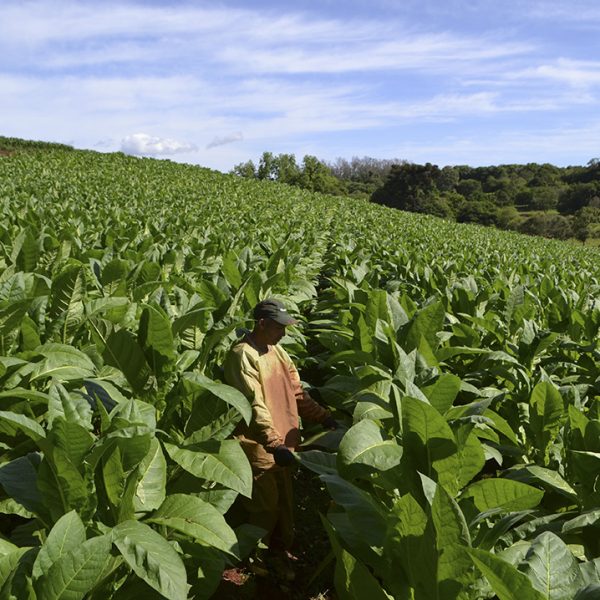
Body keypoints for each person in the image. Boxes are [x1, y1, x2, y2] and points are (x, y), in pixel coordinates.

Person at [224, 298, 337, 580]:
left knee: (285, 504)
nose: (284, 333)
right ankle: (252, 559)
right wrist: (273, 442)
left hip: (284, 446)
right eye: (279, 327)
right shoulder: (242, 355)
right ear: (262, 324)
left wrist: (323, 417)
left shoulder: (277, 351)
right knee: (264, 507)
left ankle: (279, 552)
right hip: (259, 445)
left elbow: (297, 392)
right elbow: (253, 404)